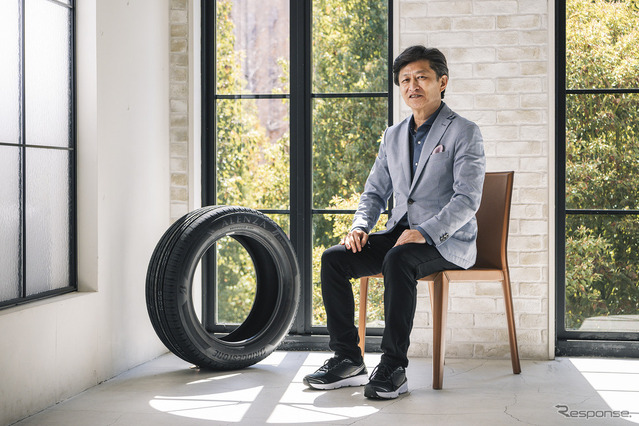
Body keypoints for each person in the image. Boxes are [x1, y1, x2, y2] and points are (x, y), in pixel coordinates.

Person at [303, 46, 486, 399]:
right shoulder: (393, 135)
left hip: (446, 240)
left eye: (421, 77)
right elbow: (374, 192)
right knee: (334, 259)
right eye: (405, 80)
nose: (412, 86)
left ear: (442, 82)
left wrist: (426, 232)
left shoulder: (464, 131)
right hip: (401, 233)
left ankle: (393, 367)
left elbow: (467, 199)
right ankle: (347, 359)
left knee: (398, 259)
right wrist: (360, 227)